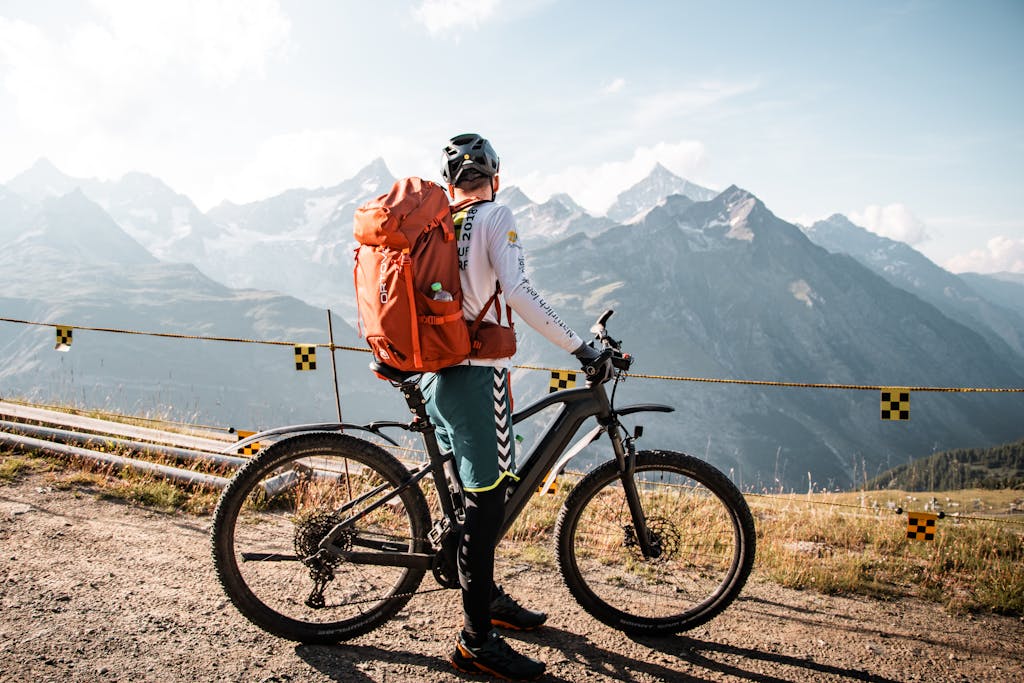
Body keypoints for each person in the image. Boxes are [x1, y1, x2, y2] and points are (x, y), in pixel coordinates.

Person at [425, 133, 612, 681]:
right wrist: (581, 345)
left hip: (451, 375)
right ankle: (475, 641)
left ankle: (488, 597)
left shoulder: (444, 225)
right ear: (494, 178)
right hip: (476, 380)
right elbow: (520, 291)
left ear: (449, 184)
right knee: (486, 511)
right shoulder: (493, 216)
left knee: (484, 496)